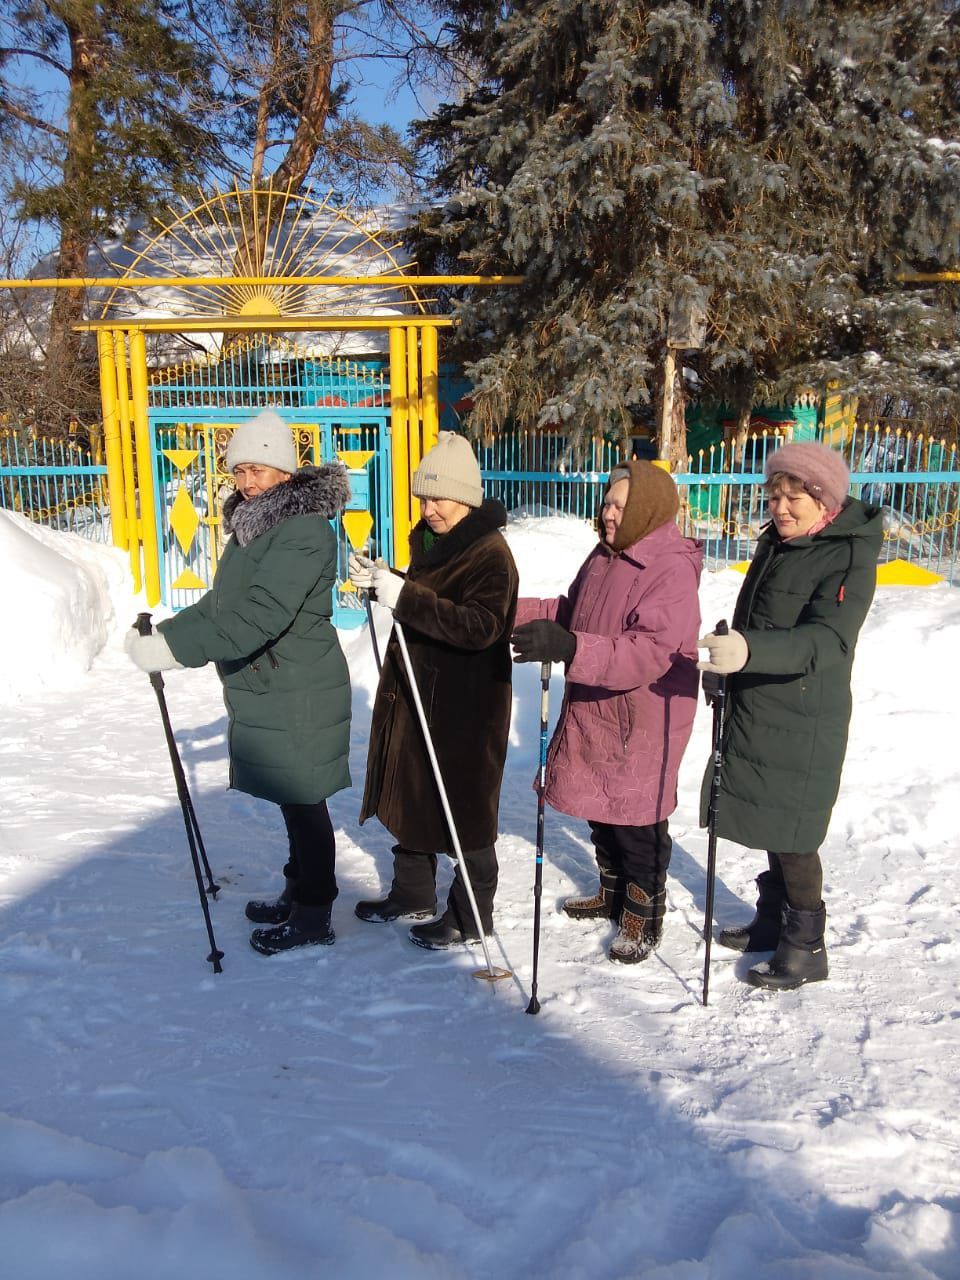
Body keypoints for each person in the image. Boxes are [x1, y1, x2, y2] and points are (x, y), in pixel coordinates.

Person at [125, 409, 352, 955]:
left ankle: (315, 912)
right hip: (272, 686)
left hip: (298, 689)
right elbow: (223, 604)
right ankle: (298, 890)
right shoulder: (256, 528)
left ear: (285, 473)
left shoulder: (300, 531)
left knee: (304, 802)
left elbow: (260, 617)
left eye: (260, 471)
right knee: (290, 799)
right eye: (240, 471)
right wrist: (170, 631)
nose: (248, 483)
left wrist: (176, 652)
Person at [698, 440, 883, 991]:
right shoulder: (779, 544)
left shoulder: (847, 553)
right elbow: (761, 619)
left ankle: (806, 946)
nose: (780, 508)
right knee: (777, 819)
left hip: (805, 714)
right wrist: (731, 663)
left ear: (823, 500)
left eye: (793, 496)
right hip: (764, 702)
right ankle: (772, 921)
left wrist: (750, 652)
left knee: (797, 830)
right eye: (774, 495)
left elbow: (827, 638)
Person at [511, 461, 703, 963]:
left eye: (619, 504)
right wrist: (507, 609)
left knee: (636, 820)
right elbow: (569, 611)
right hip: (598, 703)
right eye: (607, 502)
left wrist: (572, 648)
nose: (607, 512)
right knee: (602, 809)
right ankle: (612, 889)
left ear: (645, 509)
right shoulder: (603, 556)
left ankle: (645, 910)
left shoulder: (670, 568)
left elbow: (648, 651)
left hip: (644, 714)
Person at [350, 431, 519, 950]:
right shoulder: (430, 542)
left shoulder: (491, 554)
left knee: (464, 809)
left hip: (466, 708)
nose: (429, 508)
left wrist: (405, 595)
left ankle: (472, 916)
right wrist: (383, 578)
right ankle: (412, 892)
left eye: (439, 498)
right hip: (418, 693)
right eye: (423, 497)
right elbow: (426, 597)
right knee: (413, 792)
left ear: (465, 498)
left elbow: (479, 626)